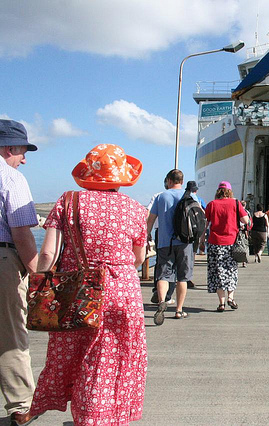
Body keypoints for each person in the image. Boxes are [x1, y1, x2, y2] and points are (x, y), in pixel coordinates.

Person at [29, 143, 147, 425]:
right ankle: (107, 416)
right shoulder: (134, 208)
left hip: (78, 292)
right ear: (121, 178)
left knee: (75, 354)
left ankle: (88, 417)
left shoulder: (69, 201)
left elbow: (47, 253)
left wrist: (39, 292)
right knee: (111, 358)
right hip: (124, 293)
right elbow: (139, 258)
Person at [0, 120, 39, 426]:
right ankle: (21, 405)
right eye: (22, 151)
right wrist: (36, 270)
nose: (24, 159)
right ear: (8, 149)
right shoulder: (12, 178)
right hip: (3, 259)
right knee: (11, 334)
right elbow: (21, 232)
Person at [147, 169, 193, 323]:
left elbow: (151, 219)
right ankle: (179, 310)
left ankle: (162, 303)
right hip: (185, 242)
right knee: (182, 277)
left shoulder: (161, 196)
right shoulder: (190, 196)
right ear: (182, 180)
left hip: (165, 242)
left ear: (169, 180)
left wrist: (147, 235)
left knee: (163, 275)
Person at [204, 181, 249, 312]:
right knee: (231, 271)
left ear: (218, 191)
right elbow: (246, 220)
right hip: (231, 243)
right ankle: (231, 298)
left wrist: (201, 240)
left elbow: (205, 224)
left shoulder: (211, 204)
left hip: (214, 243)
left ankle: (221, 303)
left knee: (217, 272)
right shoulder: (236, 203)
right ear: (229, 191)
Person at [148, 179, 176, 305]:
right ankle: (169, 294)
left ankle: (158, 292)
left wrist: (147, 233)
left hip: (161, 232)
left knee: (161, 263)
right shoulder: (184, 196)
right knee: (174, 265)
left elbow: (149, 215)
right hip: (179, 234)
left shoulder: (158, 196)